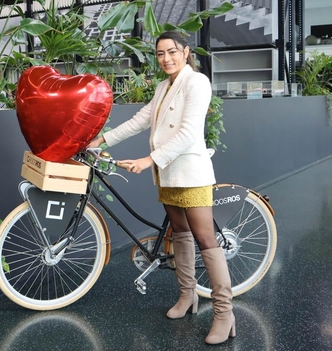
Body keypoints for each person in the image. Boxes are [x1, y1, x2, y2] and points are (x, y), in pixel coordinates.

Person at [88, 31, 234, 345]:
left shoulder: (197, 82)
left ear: (186, 52)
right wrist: (103, 139)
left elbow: (188, 133)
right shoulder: (163, 86)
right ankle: (187, 296)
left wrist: (147, 159)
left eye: (171, 52)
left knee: (205, 238)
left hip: (190, 173)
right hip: (167, 173)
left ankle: (224, 313)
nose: (165, 58)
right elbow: (141, 119)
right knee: (179, 233)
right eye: (159, 54)